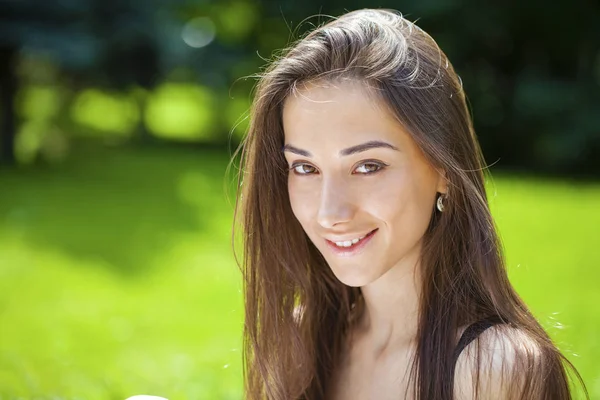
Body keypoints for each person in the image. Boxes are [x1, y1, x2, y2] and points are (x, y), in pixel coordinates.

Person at [232, 8, 587, 400]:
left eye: (368, 166)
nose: (330, 212)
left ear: (443, 169)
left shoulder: (491, 370)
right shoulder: (301, 340)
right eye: (304, 167)